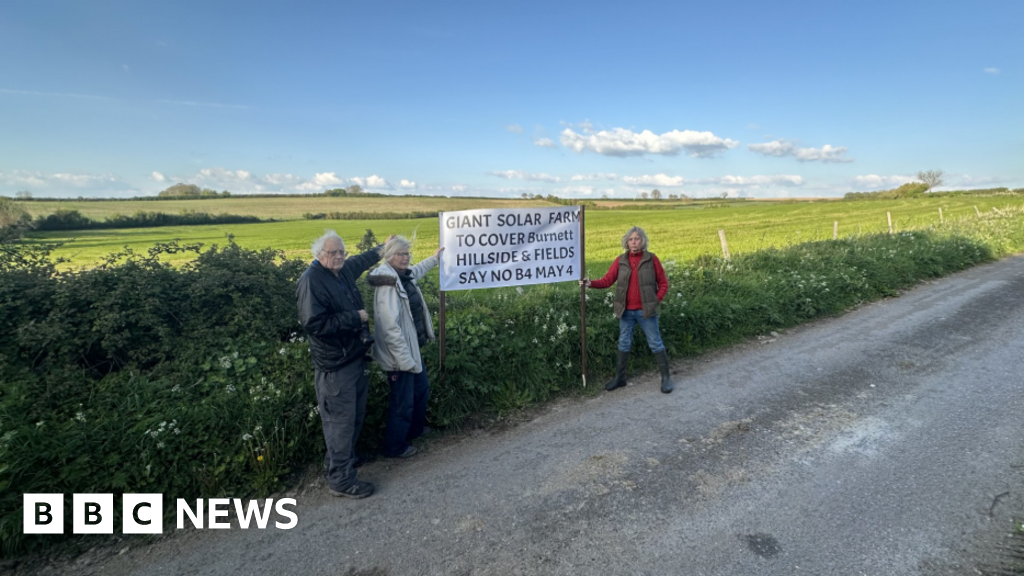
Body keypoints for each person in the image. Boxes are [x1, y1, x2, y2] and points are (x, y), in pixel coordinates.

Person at [296, 230, 390, 499]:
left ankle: (341, 460)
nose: (339, 256)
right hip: (335, 365)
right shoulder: (312, 281)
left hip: (353, 357)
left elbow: (360, 261)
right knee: (340, 423)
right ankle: (341, 480)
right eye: (332, 252)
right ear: (318, 255)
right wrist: (354, 317)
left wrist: (383, 247)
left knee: (353, 417)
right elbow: (314, 324)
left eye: (341, 252)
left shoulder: (341, 271)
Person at [368, 236, 443, 458]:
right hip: (398, 355)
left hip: (412, 349)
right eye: (401, 254)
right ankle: (395, 446)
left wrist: (435, 258)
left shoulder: (402, 276)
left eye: (407, 253)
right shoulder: (387, 285)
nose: (406, 257)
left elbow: (417, 270)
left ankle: (415, 430)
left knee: (421, 390)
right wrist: (404, 361)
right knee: (403, 401)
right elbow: (390, 328)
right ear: (389, 256)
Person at [580, 226, 674, 394]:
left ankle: (666, 378)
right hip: (626, 312)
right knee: (624, 342)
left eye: (637, 239)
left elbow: (664, 284)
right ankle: (620, 378)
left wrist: (655, 301)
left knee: (655, 342)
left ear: (642, 241)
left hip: (646, 311)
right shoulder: (621, 260)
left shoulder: (652, 259)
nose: (633, 242)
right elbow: (607, 280)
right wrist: (590, 283)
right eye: (630, 239)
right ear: (626, 242)